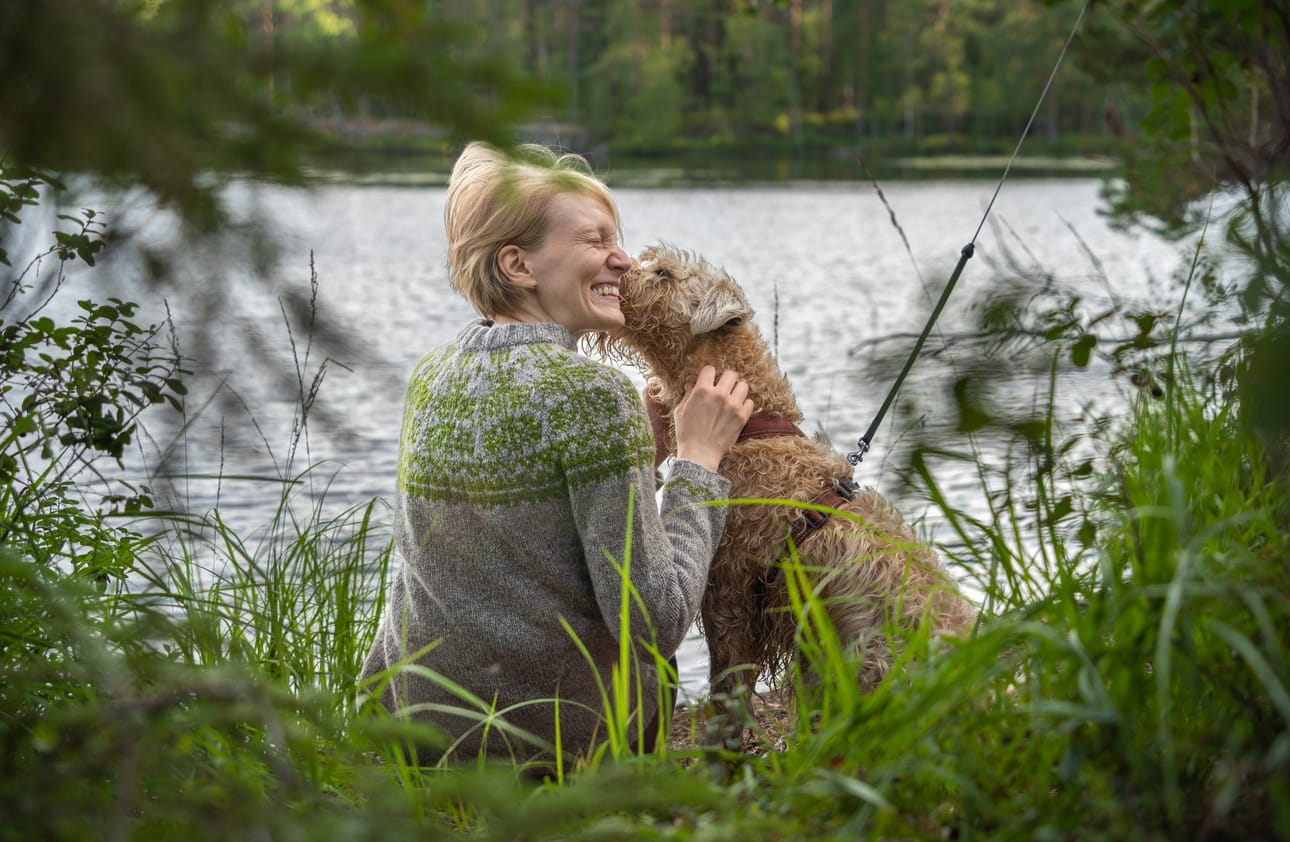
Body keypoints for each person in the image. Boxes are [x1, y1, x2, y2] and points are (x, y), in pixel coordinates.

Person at [359, 142, 754, 769]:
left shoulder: (432, 374)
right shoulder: (593, 395)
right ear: (519, 265)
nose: (623, 260)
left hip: (420, 732)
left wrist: (638, 458)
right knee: (661, 666)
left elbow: (521, 545)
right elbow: (654, 620)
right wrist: (697, 464)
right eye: (596, 241)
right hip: (546, 747)